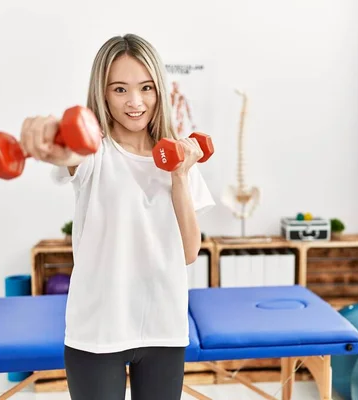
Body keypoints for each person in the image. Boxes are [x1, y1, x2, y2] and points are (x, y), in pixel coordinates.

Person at [18, 33, 215, 400]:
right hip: (97, 329)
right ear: (103, 94)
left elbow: (188, 253)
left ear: (159, 90)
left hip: (163, 326)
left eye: (146, 88)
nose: (135, 102)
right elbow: (66, 154)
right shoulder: (95, 153)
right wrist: (49, 138)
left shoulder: (181, 160)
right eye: (120, 89)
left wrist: (180, 177)